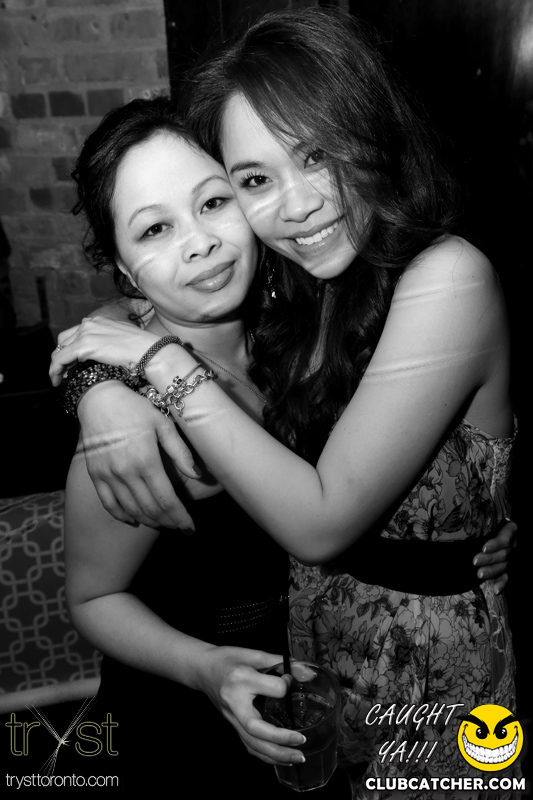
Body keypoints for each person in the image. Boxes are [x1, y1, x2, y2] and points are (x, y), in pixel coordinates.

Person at [51, 8, 520, 798]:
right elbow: (93, 590)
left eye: (316, 154)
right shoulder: (298, 294)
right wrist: (96, 384)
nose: (296, 204)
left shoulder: (399, 279)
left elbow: (335, 508)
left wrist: (490, 519)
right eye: (256, 180)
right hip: (284, 692)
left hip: (428, 685)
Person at [57, 95, 353, 797]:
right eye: (155, 228)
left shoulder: (299, 333)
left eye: (214, 203)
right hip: (181, 730)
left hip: (314, 696)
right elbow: (93, 596)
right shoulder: (132, 423)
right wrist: (204, 668)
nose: (199, 243)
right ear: (124, 267)